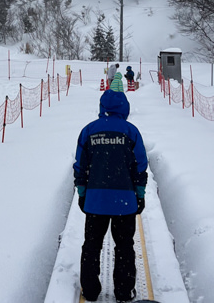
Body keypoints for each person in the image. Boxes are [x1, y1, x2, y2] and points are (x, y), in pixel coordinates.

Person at [74, 89, 148, 302]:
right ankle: (124, 292)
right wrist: (139, 194)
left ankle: (89, 290)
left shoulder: (89, 131)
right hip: (124, 203)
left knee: (91, 245)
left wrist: (82, 192)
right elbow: (140, 166)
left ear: (102, 107)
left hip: (95, 201)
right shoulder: (131, 132)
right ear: (124, 108)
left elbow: (80, 166)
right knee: (124, 246)